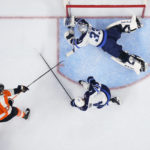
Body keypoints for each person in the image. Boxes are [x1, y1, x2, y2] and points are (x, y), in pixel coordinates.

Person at [64, 16, 148, 74]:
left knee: (121, 55)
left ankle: (135, 63)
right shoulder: (88, 25)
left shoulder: (84, 39)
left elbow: (76, 43)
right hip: (108, 34)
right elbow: (80, 20)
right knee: (118, 28)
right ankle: (133, 25)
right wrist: (73, 20)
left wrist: (69, 37)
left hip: (107, 45)